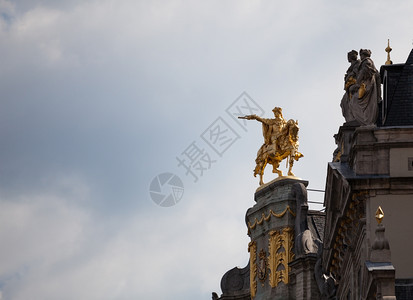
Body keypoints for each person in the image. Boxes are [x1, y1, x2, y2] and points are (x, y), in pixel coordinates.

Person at [348, 49, 381, 125]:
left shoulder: (366, 62)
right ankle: (366, 120)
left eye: (361, 55)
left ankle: (365, 120)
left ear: (362, 55)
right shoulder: (370, 63)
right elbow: (378, 75)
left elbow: (363, 73)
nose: (360, 57)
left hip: (366, 87)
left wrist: (357, 84)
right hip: (369, 86)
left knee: (354, 102)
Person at [340, 50, 360, 122]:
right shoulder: (353, 65)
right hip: (349, 87)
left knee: (352, 101)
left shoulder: (358, 63)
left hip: (355, 86)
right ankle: (350, 118)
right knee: (343, 103)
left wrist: (349, 76)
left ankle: (354, 118)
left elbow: (356, 73)